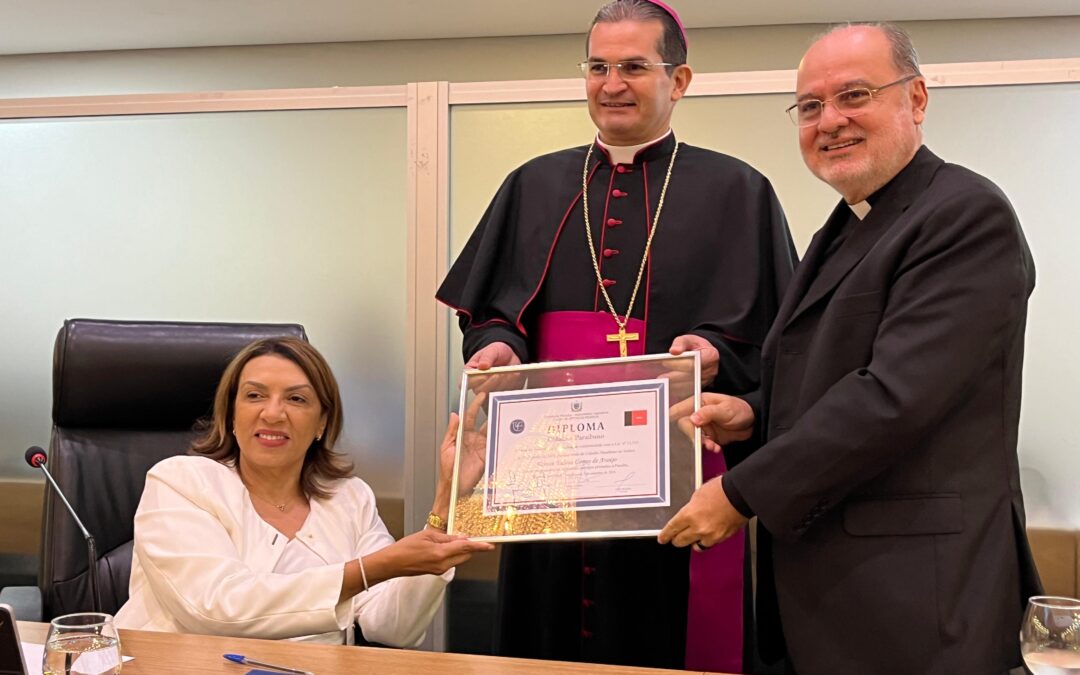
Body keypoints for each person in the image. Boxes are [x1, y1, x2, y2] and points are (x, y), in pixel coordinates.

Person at [659, 23, 1042, 674]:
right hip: (834, 601)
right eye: (809, 107)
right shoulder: (842, 229)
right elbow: (835, 379)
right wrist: (751, 415)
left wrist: (741, 493)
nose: (828, 120)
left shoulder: (962, 215)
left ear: (915, 100)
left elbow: (893, 398)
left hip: (917, 606)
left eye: (854, 95)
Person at [436, 1, 795, 670]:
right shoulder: (534, 184)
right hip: (552, 468)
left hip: (677, 474)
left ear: (678, 80)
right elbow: (491, 313)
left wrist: (717, 352)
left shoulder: (738, 191)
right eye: (598, 66)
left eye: (633, 66)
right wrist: (497, 346)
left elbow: (783, 342)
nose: (612, 83)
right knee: (544, 633)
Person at [115, 337, 493, 645]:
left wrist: (449, 498)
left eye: (296, 399)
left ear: (321, 423)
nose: (273, 413)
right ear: (230, 415)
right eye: (254, 395)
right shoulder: (180, 482)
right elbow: (215, 609)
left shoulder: (349, 498)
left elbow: (392, 627)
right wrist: (368, 570)